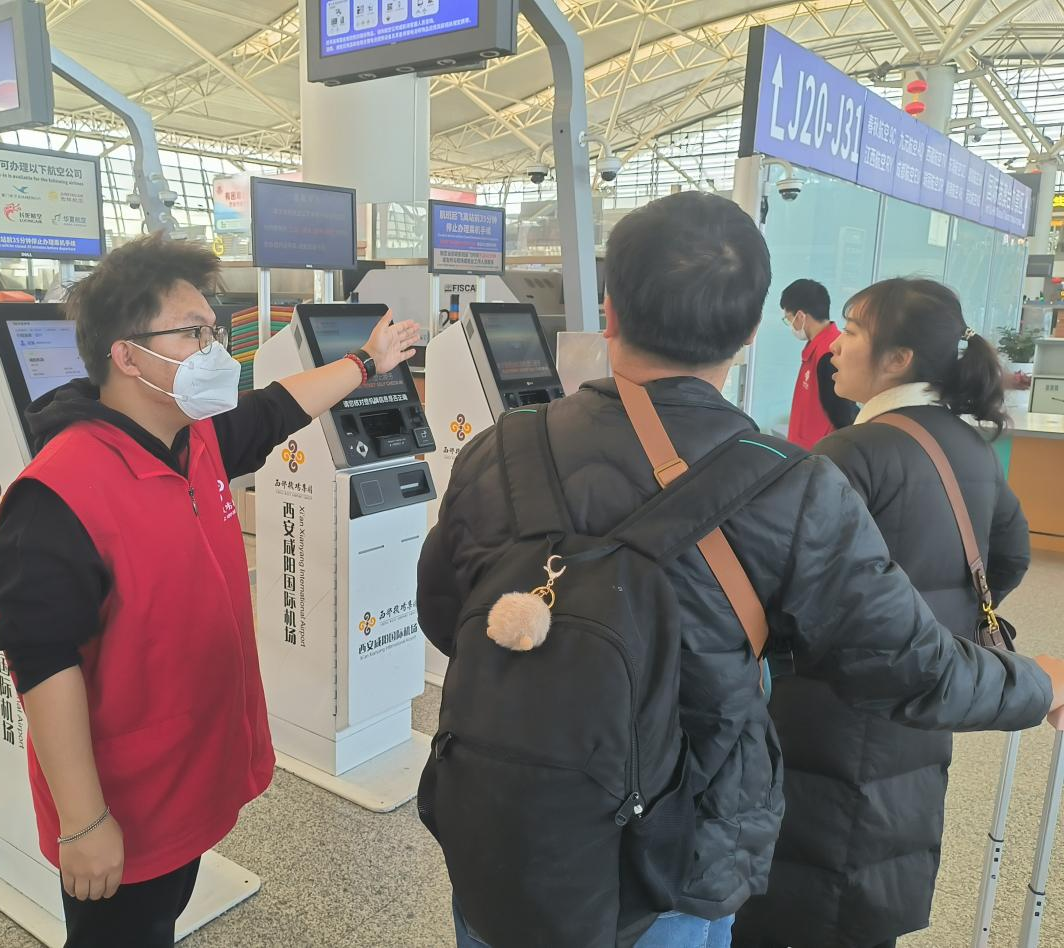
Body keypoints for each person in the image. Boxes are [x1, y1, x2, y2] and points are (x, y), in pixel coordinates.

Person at [416, 192, 1064, 948]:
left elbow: (445, 614)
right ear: (752, 332)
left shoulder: (503, 446)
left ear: (611, 311)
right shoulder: (791, 486)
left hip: (502, 818)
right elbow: (913, 667)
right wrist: (1038, 681)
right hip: (674, 853)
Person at [0, 234, 419, 948]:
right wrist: (84, 822)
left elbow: (279, 407)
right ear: (127, 356)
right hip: (126, 798)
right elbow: (40, 660)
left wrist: (368, 360)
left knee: (160, 917)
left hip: (188, 773)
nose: (214, 352)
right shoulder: (59, 493)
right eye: (192, 334)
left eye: (213, 332)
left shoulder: (198, 439)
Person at [734, 279, 1030, 948]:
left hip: (827, 719)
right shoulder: (969, 447)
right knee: (869, 884)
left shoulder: (852, 453)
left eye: (853, 333)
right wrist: (938, 628)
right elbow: (1009, 556)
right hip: (925, 704)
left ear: (898, 359)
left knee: (806, 892)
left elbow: (785, 586)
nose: (837, 348)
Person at [782, 278, 856, 448]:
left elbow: (842, 416)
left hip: (818, 453)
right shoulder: (816, 348)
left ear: (800, 316)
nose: (790, 325)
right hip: (805, 449)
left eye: (788, 319)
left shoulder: (830, 354)